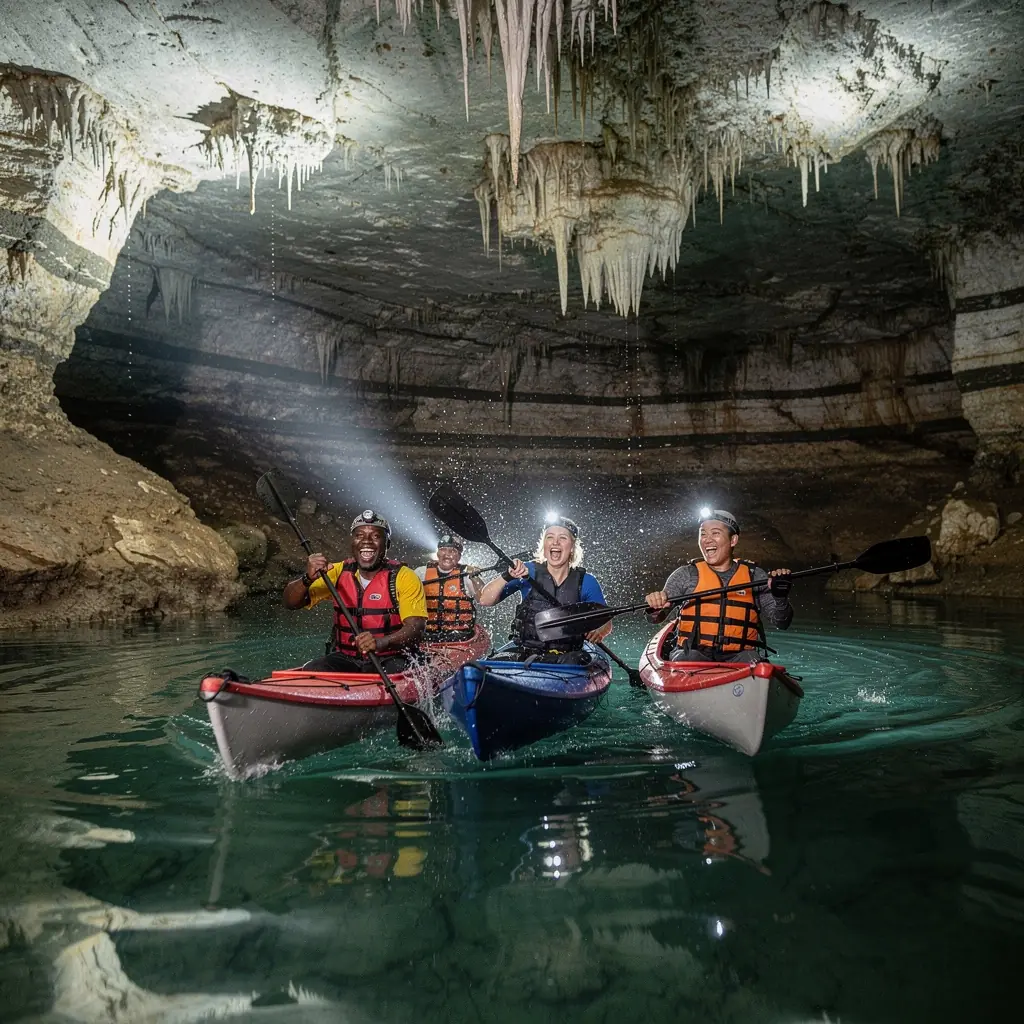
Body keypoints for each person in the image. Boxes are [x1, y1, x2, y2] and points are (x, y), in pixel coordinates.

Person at [282, 509, 427, 672]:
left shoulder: (404, 577)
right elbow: (290, 603)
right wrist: (306, 579)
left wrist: (381, 642)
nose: (367, 541)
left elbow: (416, 628)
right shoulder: (336, 572)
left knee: (398, 669)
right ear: (352, 543)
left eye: (376, 536)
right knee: (312, 669)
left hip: (391, 657)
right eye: (359, 536)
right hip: (346, 658)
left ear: (387, 544)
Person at [645, 509, 793, 664]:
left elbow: (782, 623)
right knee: (691, 658)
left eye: (715, 533)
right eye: (703, 534)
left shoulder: (755, 576)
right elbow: (654, 618)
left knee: (753, 661)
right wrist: (655, 606)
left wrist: (781, 598)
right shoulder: (686, 575)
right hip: (692, 653)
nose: (707, 540)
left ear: (733, 540)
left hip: (739, 655)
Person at [476, 515, 610, 662]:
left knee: (577, 659)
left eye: (563, 538)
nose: (555, 542)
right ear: (544, 546)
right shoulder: (527, 571)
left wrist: (599, 630)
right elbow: (485, 600)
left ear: (572, 547)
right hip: (526, 652)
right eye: (550, 537)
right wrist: (507, 576)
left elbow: (605, 622)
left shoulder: (586, 581)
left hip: (567, 656)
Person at [414, 534, 481, 642]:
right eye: (443, 550)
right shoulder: (421, 573)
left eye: (452, 551)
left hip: (459, 636)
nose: (447, 555)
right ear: (437, 553)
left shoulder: (467, 575)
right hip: (427, 635)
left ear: (459, 557)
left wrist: (476, 578)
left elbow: (482, 598)